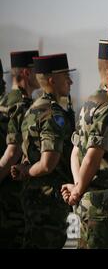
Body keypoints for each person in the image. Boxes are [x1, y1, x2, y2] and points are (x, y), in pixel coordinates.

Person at [61, 40, 108, 248]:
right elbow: (93, 153)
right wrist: (78, 189)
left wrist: (78, 187)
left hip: (88, 201)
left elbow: (76, 151)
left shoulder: (90, 102)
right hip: (103, 205)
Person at [11, 53, 75, 248]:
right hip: (49, 202)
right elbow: (47, 164)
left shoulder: (32, 110)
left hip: (34, 198)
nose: (70, 81)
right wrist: (26, 172)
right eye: (66, 77)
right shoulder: (52, 115)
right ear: (52, 80)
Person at [0, 50, 40, 248]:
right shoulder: (21, 106)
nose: (40, 74)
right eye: (36, 70)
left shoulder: (5, 102)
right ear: (26, 73)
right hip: (15, 200)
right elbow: (13, 151)